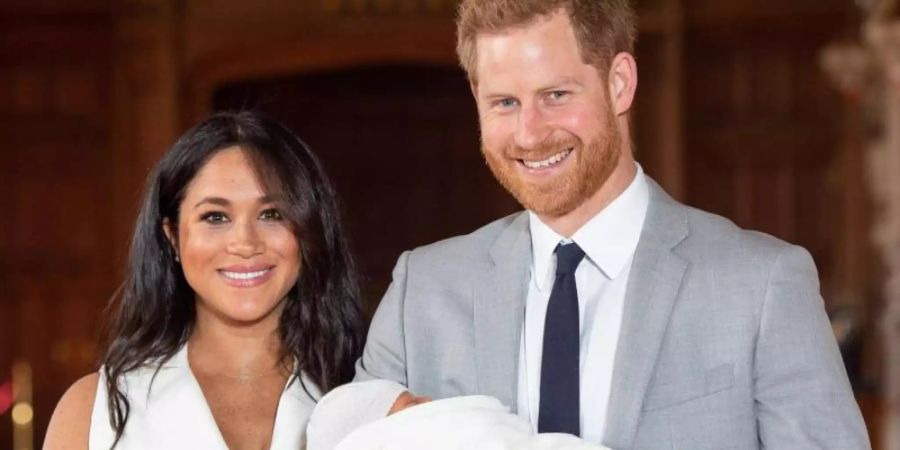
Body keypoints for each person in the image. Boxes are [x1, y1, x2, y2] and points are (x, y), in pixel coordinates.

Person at [356, 0, 871, 448]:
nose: (530, 134)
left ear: (620, 83)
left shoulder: (763, 285)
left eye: (555, 95)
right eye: (505, 103)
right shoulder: (419, 292)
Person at [44, 111, 364, 449]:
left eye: (272, 214)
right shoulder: (94, 411)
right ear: (172, 237)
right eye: (215, 216)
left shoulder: (365, 399)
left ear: (309, 230)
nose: (245, 243)